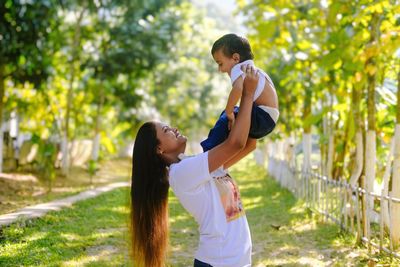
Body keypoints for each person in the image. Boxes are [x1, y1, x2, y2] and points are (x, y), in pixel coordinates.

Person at [130, 66, 259, 267]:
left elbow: (249, 145)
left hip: (232, 261)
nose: (174, 129)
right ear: (159, 149)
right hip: (219, 262)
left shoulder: (195, 164)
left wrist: (246, 111)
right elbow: (236, 143)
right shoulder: (182, 172)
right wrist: (248, 94)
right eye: (167, 130)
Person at [200, 33, 279, 163]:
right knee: (230, 123)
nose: (220, 69)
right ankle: (219, 161)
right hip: (268, 119)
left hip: (262, 117)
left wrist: (229, 111)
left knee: (225, 118)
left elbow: (237, 90)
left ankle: (207, 153)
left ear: (236, 58)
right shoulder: (254, 69)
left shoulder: (240, 68)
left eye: (220, 63)